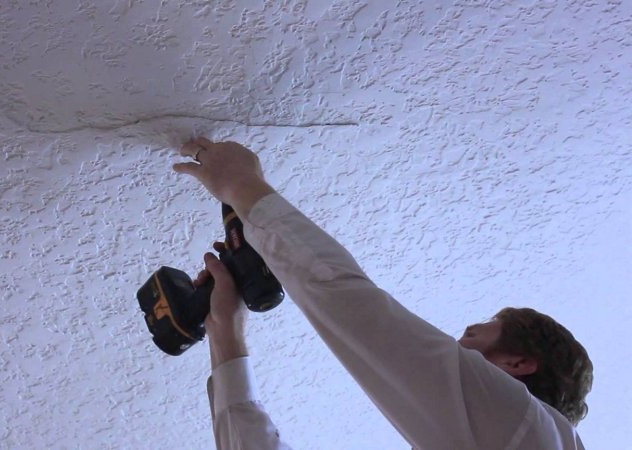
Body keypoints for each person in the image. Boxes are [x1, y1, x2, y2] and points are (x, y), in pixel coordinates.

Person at [172, 138, 593, 450]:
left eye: (472, 336)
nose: (453, 347)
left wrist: (244, 186)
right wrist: (224, 330)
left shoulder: (530, 433)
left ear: (519, 362)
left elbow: (358, 311)